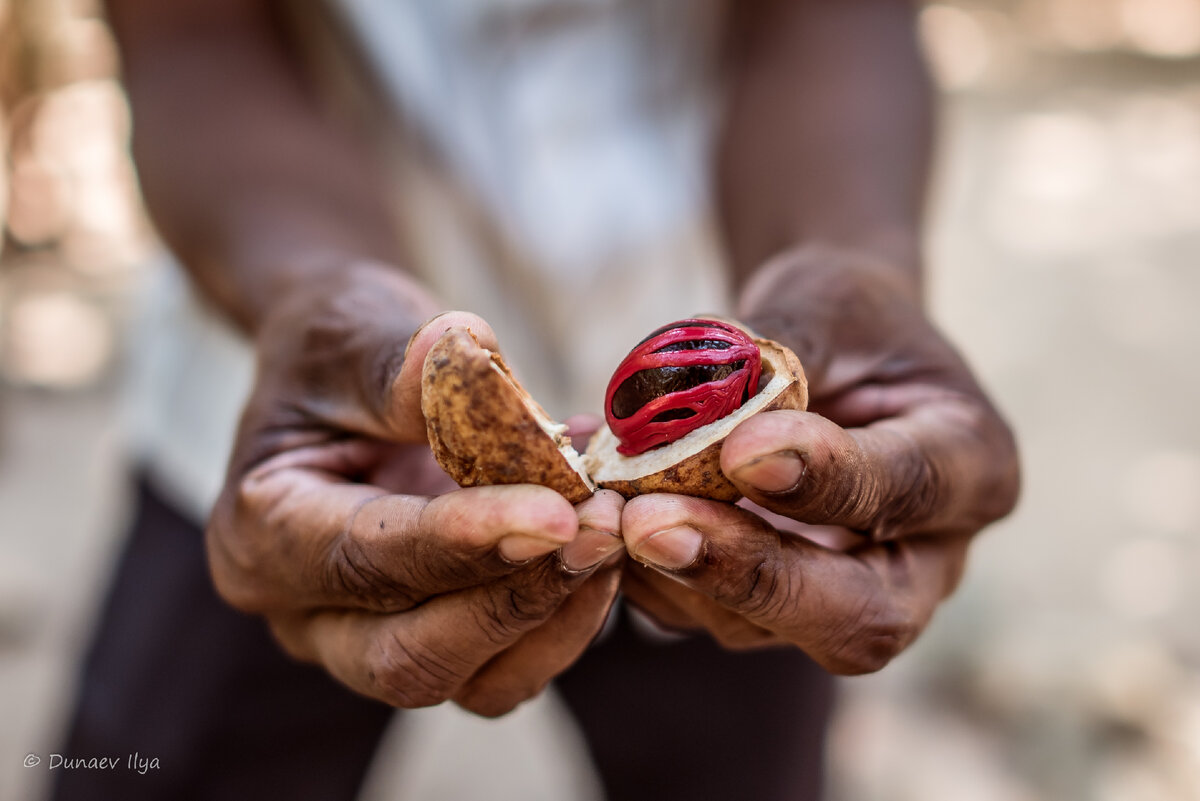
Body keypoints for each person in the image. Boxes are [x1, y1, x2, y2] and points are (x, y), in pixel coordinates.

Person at [53, 1, 1020, 800]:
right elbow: (188, 36)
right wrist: (313, 293)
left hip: (741, 468)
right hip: (310, 406)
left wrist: (847, 265)